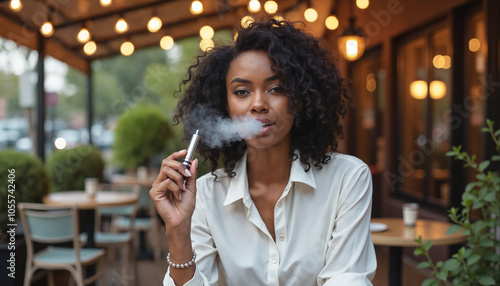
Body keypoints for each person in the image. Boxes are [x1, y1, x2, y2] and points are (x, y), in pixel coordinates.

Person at [150, 17, 377, 286]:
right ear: (226, 106)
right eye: (242, 91)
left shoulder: (347, 179)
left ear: (300, 98)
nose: (258, 104)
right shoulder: (207, 195)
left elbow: (347, 279)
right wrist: (177, 231)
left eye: (276, 88)